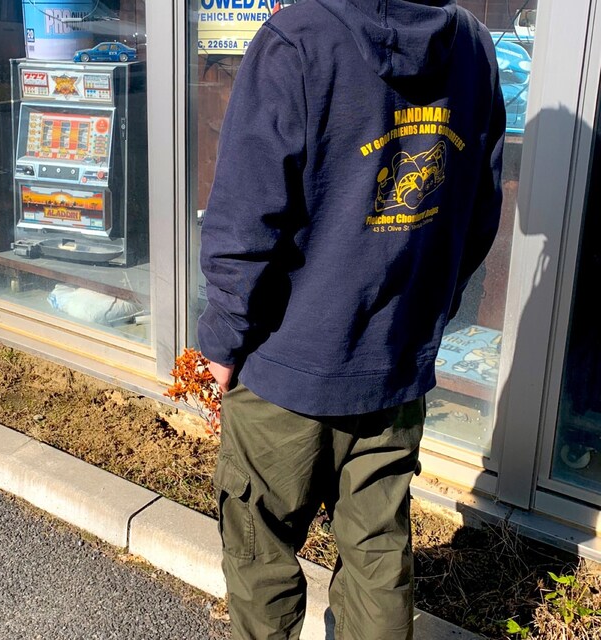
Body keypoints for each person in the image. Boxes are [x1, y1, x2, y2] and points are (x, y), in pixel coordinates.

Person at [197, 0, 506, 638]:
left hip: (285, 367)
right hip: (393, 367)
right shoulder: (473, 47)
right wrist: (422, 317)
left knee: (260, 551)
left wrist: (223, 340)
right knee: (378, 554)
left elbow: (244, 218)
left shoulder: (297, 38)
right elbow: (477, 212)